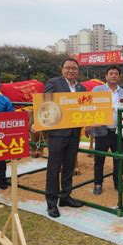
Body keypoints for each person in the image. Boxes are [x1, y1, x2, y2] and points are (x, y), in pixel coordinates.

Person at [44, 58, 86, 218]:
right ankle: (51, 203)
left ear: (78, 71)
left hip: (74, 133)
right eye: (68, 68)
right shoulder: (53, 83)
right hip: (57, 133)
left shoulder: (81, 87)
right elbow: (46, 103)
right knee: (54, 168)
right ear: (62, 70)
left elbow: (84, 109)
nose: (71, 71)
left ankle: (65, 197)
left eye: (74, 68)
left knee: (69, 167)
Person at [88, 65, 123, 195]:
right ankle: (98, 184)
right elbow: (90, 107)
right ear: (106, 76)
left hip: (118, 131)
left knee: (118, 160)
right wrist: (89, 124)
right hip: (102, 130)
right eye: (111, 73)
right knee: (99, 160)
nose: (113, 75)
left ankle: (118, 184)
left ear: (119, 77)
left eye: (116, 73)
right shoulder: (97, 90)